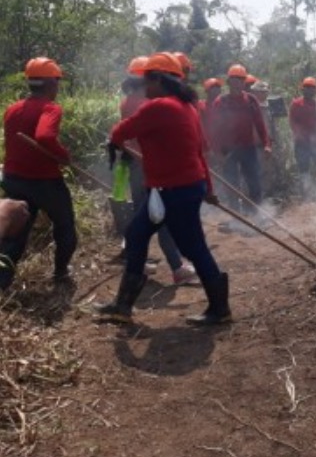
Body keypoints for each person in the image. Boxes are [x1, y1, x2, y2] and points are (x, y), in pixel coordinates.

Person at [95, 53, 230, 325]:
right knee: (136, 234)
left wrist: (122, 139)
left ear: (160, 80)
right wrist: (209, 188)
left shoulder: (157, 108)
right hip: (178, 187)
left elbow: (119, 132)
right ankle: (123, 307)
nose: (144, 86)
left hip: (174, 190)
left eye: (147, 80)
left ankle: (220, 309)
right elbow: (198, 153)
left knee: (194, 247)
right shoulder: (187, 107)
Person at [118, 55, 198, 285]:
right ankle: (176, 266)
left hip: (137, 164)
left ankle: (138, 262)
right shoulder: (148, 103)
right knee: (159, 215)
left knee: (145, 215)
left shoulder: (128, 101)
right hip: (147, 166)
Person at [0, 58, 77, 290]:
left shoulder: (13, 109)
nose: (58, 87)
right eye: (57, 82)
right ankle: (61, 273)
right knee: (64, 225)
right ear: (51, 83)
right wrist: (63, 156)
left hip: (13, 178)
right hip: (44, 182)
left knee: (17, 231)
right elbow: (44, 136)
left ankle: (3, 281)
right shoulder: (50, 108)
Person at [210, 64, 271, 212]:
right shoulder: (220, 102)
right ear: (228, 81)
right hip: (228, 150)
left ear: (244, 82)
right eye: (234, 79)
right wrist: (217, 152)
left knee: (254, 182)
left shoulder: (251, 100)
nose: (237, 82)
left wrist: (266, 144)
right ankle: (236, 215)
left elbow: (260, 125)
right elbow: (214, 130)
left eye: (240, 79)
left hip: (248, 148)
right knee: (232, 184)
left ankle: (256, 213)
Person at [289, 77, 316, 195]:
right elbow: (292, 120)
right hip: (302, 142)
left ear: (315, 90)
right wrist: (297, 133)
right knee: (303, 168)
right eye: (307, 88)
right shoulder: (296, 103)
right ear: (303, 89)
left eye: (312, 88)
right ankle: (306, 192)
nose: (309, 90)